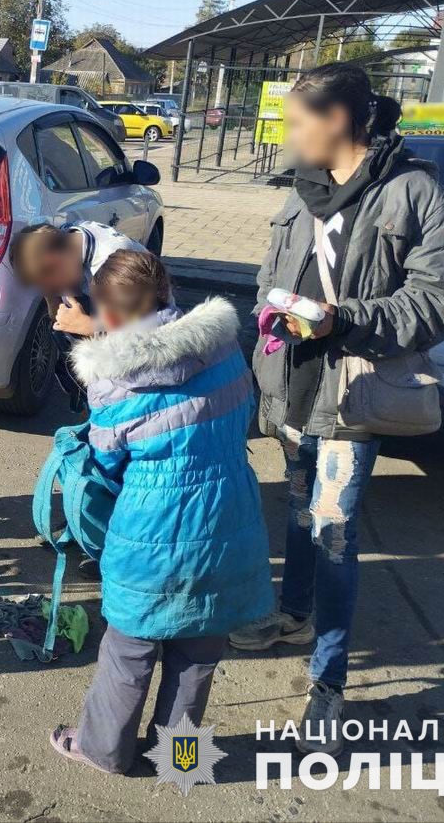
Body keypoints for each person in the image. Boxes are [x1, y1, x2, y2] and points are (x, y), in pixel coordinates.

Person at [233, 63, 444, 755]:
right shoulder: (301, 192)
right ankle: (295, 614)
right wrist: (270, 319)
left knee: (335, 537)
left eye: (297, 122)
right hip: (291, 390)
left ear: (337, 122)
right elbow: (268, 276)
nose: (287, 135)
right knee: (300, 513)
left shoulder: (414, 193)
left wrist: (343, 320)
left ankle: (328, 683)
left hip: (351, 397)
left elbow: (438, 301)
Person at [48, 249, 273, 775]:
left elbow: (105, 461)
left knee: (128, 651)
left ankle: (103, 750)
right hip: (228, 521)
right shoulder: (222, 346)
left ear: (109, 315)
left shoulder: (111, 381)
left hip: (152, 533)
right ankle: (181, 759)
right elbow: (243, 411)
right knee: (198, 656)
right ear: (166, 292)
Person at [9, 220, 146, 413]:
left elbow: (146, 336)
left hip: (147, 379)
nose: (48, 291)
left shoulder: (117, 266)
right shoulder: (67, 239)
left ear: (54, 261)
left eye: (46, 283)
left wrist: (87, 325)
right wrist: (53, 295)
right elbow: (55, 313)